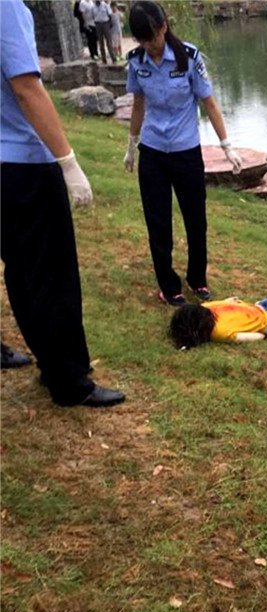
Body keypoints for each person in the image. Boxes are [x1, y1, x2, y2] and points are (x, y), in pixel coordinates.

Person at [0, 0, 125, 408]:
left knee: (22, 272)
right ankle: (69, 380)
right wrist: (68, 162)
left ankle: (50, 363)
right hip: (23, 163)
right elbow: (26, 86)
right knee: (52, 277)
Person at [124, 0, 242, 307]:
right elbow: (138, 104)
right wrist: (131, 146)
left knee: (195, 219)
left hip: (185, 151)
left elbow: (209, 102)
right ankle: (168, 284)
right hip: (152, 152)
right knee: (158, 222)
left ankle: (197, 279)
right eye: (141, 40)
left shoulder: (188, 57)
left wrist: (226, 145)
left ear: (163, 26)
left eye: (151, 37)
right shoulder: (136, 60)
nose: (148, 45)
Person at [93, 0, 117, 64]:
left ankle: (113, 58)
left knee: (109, 42)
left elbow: (110, 15)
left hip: (105, 24)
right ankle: (104, 59)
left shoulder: (105, 5)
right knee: (101, 43)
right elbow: (93, 16)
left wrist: (110, 24)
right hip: (98, 24)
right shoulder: (93, 7)